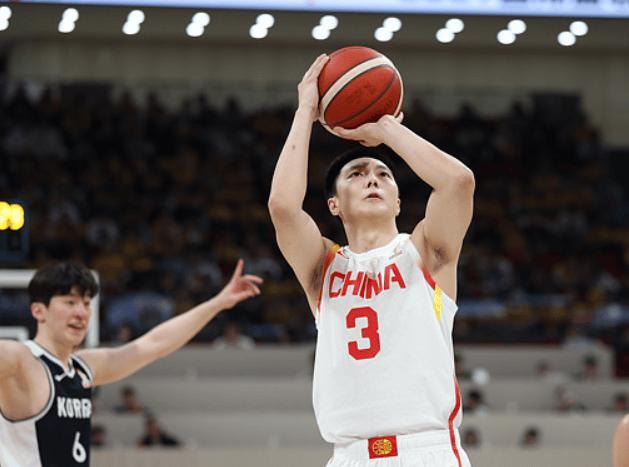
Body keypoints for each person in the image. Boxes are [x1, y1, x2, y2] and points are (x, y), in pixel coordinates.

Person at [268, 54, 475, 467]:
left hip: (427, 451)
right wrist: (306, 109)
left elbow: (458, 182)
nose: (372, 180)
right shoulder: (323, 268)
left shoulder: (426, 251)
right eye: (357, 174)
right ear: (334, 204)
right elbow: (283, 208)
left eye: (383, 175)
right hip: (350, 456)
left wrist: (386, 129)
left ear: (398, 201)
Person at [0, 260, 261, 466]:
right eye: (70, 302)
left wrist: (218, 303)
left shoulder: (83, 368)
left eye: (86, 304)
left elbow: (154, 344)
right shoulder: (19, 359)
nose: (81, 313)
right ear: (38, 311)